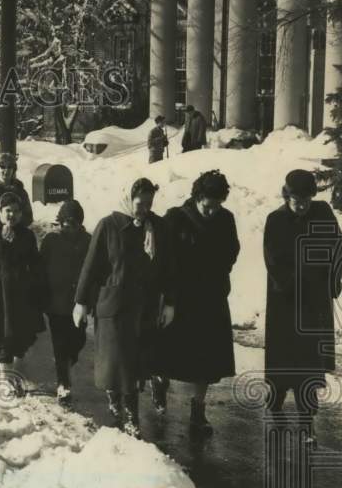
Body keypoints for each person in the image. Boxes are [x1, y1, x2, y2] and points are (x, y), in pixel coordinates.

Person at [74, 177, 174, 438]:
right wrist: (81, 302)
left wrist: (169, 303)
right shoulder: (109, 225)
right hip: (114, 305)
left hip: (145, 307)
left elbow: (168, 268)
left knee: (132, 364)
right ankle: (118, 401)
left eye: (149, 204)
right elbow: (91, 266)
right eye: (140, 204)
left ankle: (130, 414)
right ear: (128, 199)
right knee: (118, 362)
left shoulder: (157, 227)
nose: (145, 209)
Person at [153, 170, 240, 434]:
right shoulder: (176, 218)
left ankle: (198, 411)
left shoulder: (226, 219)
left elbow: (232, 250)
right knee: (168, 350)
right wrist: (167, 298)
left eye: (217, 206)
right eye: (207, 206)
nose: (212, 211)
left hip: (211, 297)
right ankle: (160, 382)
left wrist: (218, 268)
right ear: (197, 197)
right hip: (180, 297)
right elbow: (163, 259)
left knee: (206, 359)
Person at [263, 169, 342, 443]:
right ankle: (275, 404)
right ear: (287, 196)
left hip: (314, 302)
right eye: (297, 200)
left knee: (309, 363)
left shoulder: (322, 213)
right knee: (284, 361)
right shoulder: (276, 220)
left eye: (306, 200)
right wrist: (293, 283)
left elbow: (338, 246)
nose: (302, 205)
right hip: (285, 303)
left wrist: (332, 280)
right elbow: (273, 260)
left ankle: (306, 422)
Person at [0, 191, 47, 397]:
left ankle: (15, 376)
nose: (11, 215)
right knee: (4, 339)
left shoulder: (27, 236)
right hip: (1, 296)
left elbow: (35, 264)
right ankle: (6, 380)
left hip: (24, 295)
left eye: (16, 211)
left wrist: (40, 290)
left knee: (22, 339)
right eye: (7, 211)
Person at [39, 199, 91, 403]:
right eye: (65, 224)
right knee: (60, 344)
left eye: (73, 224)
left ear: (80, 224)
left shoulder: (88, 241)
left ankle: (66, 365)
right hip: (55, 303)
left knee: (79, 340)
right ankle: (63, 384)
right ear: (60, 222)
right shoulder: (51, 240)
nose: (68, 228)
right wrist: (41, 295)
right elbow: (40, 268)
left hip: (79, 302)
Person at [0, 152, 33, 227]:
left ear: (13, 169)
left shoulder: (20, 192)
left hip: (17, 231)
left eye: (9, 167)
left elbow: (29, 217)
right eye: (2, 167)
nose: (6, 170)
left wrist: (15, 221)